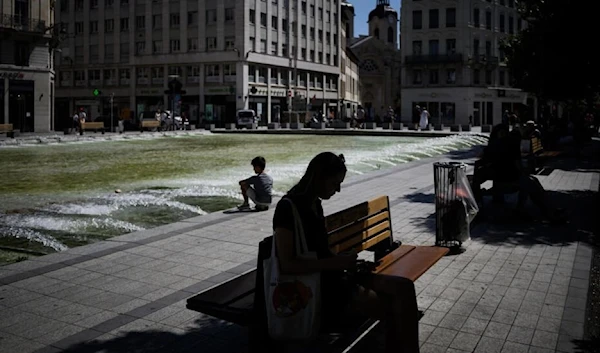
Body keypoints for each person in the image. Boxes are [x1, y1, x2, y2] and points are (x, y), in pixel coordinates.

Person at [272, 152, 420, 353]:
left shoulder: (315, 204)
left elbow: (321, 252)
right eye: (335, 183)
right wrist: (336, 263)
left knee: (404, 287)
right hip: (316, 288)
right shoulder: (287, 208)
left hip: (334, 277)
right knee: (395, 306)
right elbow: (287, 264)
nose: (339, 190)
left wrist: (344, 261)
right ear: (319, 178)